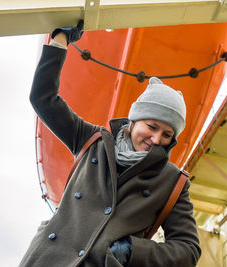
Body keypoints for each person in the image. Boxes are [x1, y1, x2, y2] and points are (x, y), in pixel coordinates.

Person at [20, 20, 201, 267]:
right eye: (152, 127)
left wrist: (132, 250)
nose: (157, 139)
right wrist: (61, 38)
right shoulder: (91, 140)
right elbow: (43, 98)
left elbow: (188, 250)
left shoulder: (173, 182)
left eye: (167, 135)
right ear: (134, 121)